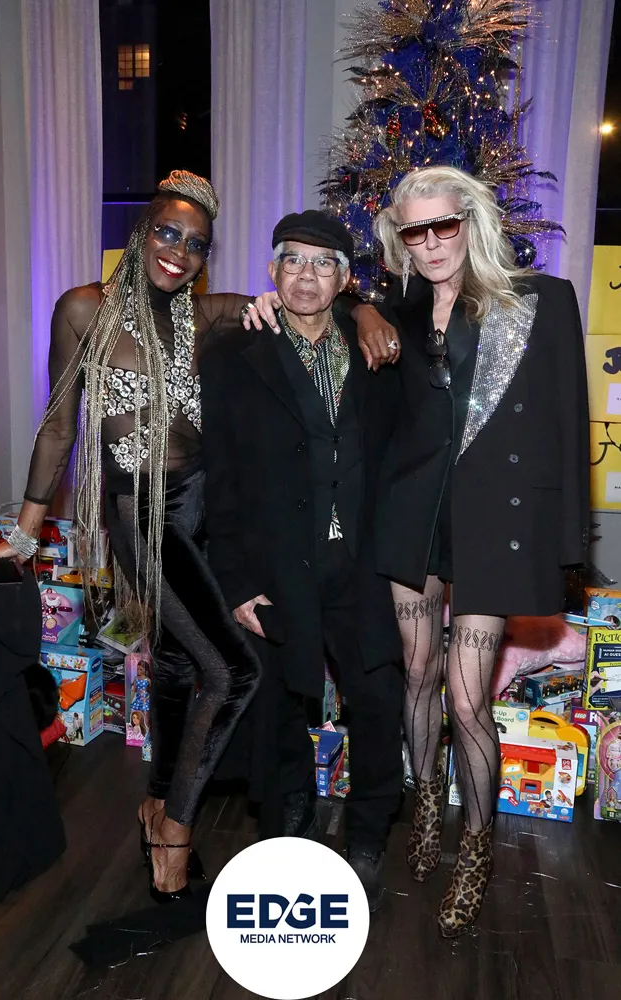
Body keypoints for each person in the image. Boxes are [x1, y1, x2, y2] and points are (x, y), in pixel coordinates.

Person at [0, 171, 398, 903]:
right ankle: (173, 826)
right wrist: (25, 530)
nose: (178, 250)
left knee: (178, 666)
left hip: (207, 505)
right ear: (143, 231)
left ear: (208, 256)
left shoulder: (210, 315)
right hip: (140, 512)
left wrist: (363, 309)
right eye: (168, 233)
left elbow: (309, 297)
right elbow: (57, 426)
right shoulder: (82, 308)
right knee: (234, 670)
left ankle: (157, 797)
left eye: (196, 243)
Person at [362, 165, 589, 936]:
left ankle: (476, 848)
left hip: (493, 521)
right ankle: (426, 805)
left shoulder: (538, 300)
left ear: (470, 221)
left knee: (466, 698)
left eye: (443, 226)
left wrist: (565, 542)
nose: (429, 243)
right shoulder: (393, 311)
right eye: (413, 230)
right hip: (412, 512)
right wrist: (356, 306)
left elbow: (566, 419)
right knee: (416, 674)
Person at [200, 210, 404, 913]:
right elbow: (221, 476)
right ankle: (290, 815)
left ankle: (370, 829)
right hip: (277, 563)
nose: (307, 276)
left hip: (363, 563)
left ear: (344, 279)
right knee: (282, 700)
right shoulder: (233, 354)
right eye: (293, 261)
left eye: (323, 264)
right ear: (272, 272)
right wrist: (235, 582)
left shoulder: (376, 346)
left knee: (376, 699)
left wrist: (367, 306)